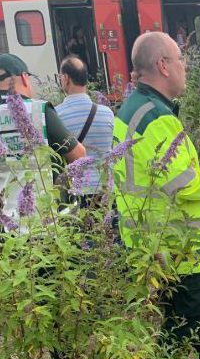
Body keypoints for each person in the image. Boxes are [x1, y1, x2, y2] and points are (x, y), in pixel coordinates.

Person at [112, 32, 200, 359]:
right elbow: (185, 186)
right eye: (180, 59)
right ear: (163, 65)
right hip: (177, 247)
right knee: (184, 325)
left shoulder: (137, 109)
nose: (185, 67)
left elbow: (160, 175)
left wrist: (195, 170)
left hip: (163, 244)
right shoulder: (156, 117)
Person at [0, 53, 86, 230]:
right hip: (45, 223)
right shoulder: (38, 110)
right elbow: (79, 155)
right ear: (24, 78)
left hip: (5, 233)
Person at [56, 56, 114, 201]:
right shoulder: (107, 113)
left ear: (66, 78)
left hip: (79, 192)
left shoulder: (57, 115)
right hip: (107, 191)